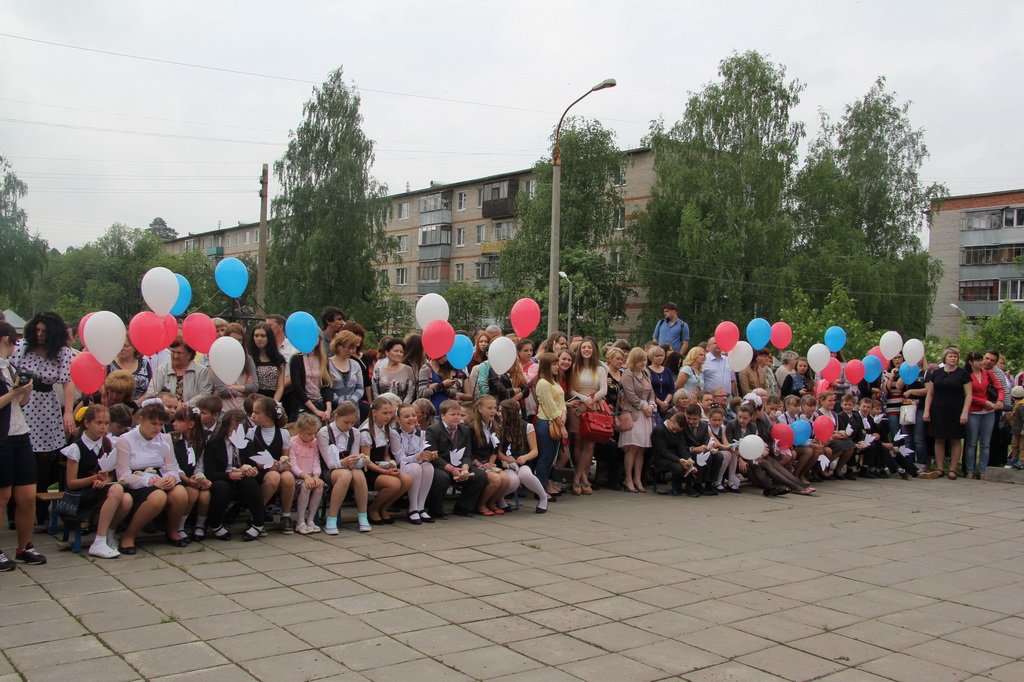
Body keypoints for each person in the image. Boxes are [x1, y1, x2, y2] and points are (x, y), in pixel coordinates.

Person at [12, 312, 75, 521]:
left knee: (44, 458)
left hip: (47, 406)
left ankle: (40, 508)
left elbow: (67, 382)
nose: (40, 334)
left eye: (44, 331)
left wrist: (68, 412)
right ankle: (14, 509)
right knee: (20, 454)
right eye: (37, 330)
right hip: (22, 401)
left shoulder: (63, 352)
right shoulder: (22, 347)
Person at [114, 399, 189, 553]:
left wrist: (171, 478)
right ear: (142, 420)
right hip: (137, 482)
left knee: (181, 494)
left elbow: (171, 466)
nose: (157, 428)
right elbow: (124, 476)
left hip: (160, 477)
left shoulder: (164, 439)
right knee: (158, 497)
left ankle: (172, 530)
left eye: (161, 424)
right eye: (153, 423)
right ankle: (129, 535)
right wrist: (151, 481)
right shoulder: (125, 440)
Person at [0, 320, 46, 569]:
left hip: (21, 434)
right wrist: (14, 393)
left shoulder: (10, 366)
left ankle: (25, 546)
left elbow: (21, 403)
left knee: (27, 496)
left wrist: (25, 390)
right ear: (8, 340)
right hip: (2, 437)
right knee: (3, 496)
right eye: (14, 342)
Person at [61, 405, 130, 559]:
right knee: (117, 490)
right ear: (87, 423)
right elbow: (71, 483)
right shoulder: (76, 448)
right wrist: (94, 479)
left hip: (99, 490)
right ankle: (99, 540)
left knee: (127, 500)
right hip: (80, 495)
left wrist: (105, 480)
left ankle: (109, 533)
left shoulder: (108, 444)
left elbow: (110, 475)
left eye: (106, 423)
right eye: (98, 423)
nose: (103, 427)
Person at [204, 409, 265, 541]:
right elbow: (210, 473)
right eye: (233, 429)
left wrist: (253, 471)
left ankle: (258, 523)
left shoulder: (247, 444)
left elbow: (252, 464)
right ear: (225, 427)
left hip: (242, 479)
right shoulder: (214, 444)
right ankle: (216, 524)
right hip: (223, 478)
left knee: (250, 482)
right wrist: (229, 475)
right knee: (222, 487)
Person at [424, 400, 488, 517]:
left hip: (459, 464)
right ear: (443, 415)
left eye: (459, 414)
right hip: (441, 465)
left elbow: (467, 453)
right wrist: (451, 469)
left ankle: (463, 507)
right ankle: (435, 510)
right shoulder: (433, 430)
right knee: (441, 477)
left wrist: (465, 469)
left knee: (480, 475)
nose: (457, 417)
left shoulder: (465, 430)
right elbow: (433, 456)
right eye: (453, 414)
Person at [317, 402, 371, 534]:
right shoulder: (324, 432)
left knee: (358, 474)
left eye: (352, 423)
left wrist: (360, 460)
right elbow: (329, 463)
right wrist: (344, 463)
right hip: (329, 470)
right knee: (344, 475)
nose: (349, 426)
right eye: (346, 422)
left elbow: (353, 457)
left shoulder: (355, 433)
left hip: (347, 468)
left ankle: (363, 516)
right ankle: (331, 518)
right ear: (336, 416)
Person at [246, 396, 296, 533]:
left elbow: (286, 459)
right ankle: (257, 514)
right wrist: (263, 465)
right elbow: (248, 458)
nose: (252, 415)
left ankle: (286, 515)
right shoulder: (251, 433)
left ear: (268, 415)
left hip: (276, 470)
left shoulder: (283, 433)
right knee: (273, 476)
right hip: (259, 472)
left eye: (257, 412)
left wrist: (282, 464)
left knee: (288, 477)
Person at [360, 397, 412, 524]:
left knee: (407, 480)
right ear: (374, 412)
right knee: (394, 484)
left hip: (382, 468)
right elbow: (366, 461)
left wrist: (390, 464)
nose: (388, 416)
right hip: (369, 471)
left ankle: (384, 507)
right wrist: (384, 472)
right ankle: (373, 508)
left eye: (390, 413)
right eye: (385, 413)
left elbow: (385, 455)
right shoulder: (366, 432)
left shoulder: (386, 429)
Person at [567, 338, 607, 496]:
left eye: (589, 347)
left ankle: (577, 478)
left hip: (593, 408)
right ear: (580, 350)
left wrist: (592, 399)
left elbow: (603, 390)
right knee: (578, 442)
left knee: (589, 444)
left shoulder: (600, 369)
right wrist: (584, 399)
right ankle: (583, 478)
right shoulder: (574, 367)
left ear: (594, 350)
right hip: (577, 407)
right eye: (584, 347)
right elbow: (570, 389)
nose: (586, 350)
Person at [496, 398, 549, 513]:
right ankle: (500, 498)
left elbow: (534, 451)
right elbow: (497, 451)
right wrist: (505, 458)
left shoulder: (527, 426)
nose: (498, 413)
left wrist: (525, 457)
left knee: (525, 474)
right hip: (506, 464)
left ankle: (543, 496)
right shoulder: (499, 428)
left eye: (501, 411)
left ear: (510, 412)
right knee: (513, 480)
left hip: (524, 462)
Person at [170, 405, 213, 541]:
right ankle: (180, 526)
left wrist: (201, 478)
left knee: (205, 495)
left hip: (193, 478)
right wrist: (188, 480)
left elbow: (200, 464)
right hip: (179, 478)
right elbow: (174, 466)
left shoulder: (200, 441)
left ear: (191, 424)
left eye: (179, 421)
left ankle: (200, 525)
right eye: (175, 420)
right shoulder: (173, 441)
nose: (174, 424)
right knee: (192, 492)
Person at [390, 404, 436, 525]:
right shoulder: (395, 433)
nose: (411, 418)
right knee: (415, 468)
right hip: (400, 466)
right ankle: (413, 508)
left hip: (416, 463)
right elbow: (400, 459)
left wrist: (428, 455)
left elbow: (421, 452)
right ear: (398, 419)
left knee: (428, 467)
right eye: (406, 416)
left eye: (413, 415)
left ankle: (421, 507)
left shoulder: (421, 433)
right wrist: (418, 457)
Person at [467, 394, 511, 514]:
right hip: (474, 463)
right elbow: (468, 451)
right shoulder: (471, 428)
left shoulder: (495, 427)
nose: (493, 411)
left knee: (505, 479)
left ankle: (491, 502)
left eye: (495, 408)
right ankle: (481, 504)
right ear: (480, 409)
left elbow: (495, 450)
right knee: (496, 480)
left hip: (487, 462)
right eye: (489, 408)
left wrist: (491, 463)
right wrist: (479, 464)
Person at [619, 348, 655, 493]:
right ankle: (628, 478)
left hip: (646, 414)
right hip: (633, 412)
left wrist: (651, 405)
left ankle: (638, 479)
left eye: (644, 360)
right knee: (632, 447)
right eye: (640, 360)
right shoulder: (628, 374)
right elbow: (630, 394)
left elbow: (651, 392)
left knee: (641, 448)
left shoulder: (646, 373)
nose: (643, 363)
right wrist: (643, 406)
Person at [963, 351, 1003, 479]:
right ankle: (970, 470)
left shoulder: (988, 373)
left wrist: (999, 401)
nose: (981, 362)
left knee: (985, 443)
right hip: (973, 411)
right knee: (971, 443)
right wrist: (984, 402)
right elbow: (968, 395)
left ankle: (983, 470)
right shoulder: (966, 375)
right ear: (970, 362)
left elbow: (1000, 388)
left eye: (981, 360)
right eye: (978, 360)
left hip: (988, 412)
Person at [148, 337, 213, 407]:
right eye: (173, 352)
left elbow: (205, 394)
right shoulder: (162, 370)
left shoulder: (202, 371)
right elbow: (151, 393)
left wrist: (185, 405)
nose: (175, 356)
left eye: (179, 353)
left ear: (190, 354)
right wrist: (169, 405)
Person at [289, 413, 325, 534]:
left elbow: (316, 461)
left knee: (319, 486)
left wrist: (316, 476)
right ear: (300, 431)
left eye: (314, 433)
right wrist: (305, 476)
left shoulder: (314, 443)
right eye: (309, 434)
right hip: (297, 476)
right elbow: (293, 464)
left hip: (311, 475)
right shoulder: (292, 443)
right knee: (306, 486)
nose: (313, 436)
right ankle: (300, 521)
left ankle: (310, 520)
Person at [650, 413, 697, 497]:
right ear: (671, 420)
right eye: (674, 429)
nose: (675, 432)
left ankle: (689, 487)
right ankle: (676, 489)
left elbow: (681, 447)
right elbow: (663, 451)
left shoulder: (679, 431)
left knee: (692, 460)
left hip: (675, 455)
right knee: (678, 467)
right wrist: (679, 460)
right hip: (661, 458)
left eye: (677, 431)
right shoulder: (659, 430)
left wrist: (688, 458)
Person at [288, 342, 333, 423]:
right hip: (303, 404)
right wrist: (315, 410)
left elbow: (326, 385)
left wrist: (328, 409)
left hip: (320, 402)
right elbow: (297, 387)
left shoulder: (323, 358)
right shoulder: (296, 358)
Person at [327, 331, 365, 410]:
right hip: (334, 409)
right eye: (346, 348)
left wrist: (351, 401)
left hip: (353, 408)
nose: (350, 351)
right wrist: (340, 402)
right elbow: (326, 389)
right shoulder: (326, 364)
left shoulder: (356, 364)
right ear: (337, 345)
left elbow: (360, 388)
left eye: (353, 348)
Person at [371, 337, 416, 404]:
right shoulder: (378, 371)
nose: (399, 354)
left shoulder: (408, 370)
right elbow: (375, 392)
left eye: (401, 352)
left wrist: (401, 407)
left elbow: (410, 393)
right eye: (396, 351)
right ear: (387, 352)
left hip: (402, 408)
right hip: (382, 407)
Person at [249, 323, 286, 402]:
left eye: (263, 336)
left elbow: (280, 387)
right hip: (253, 400)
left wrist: (274, 403)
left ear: (269, 337)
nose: (259, 339)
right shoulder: (249, 359)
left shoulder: (279, 359)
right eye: (256, 335)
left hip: (272, 400)